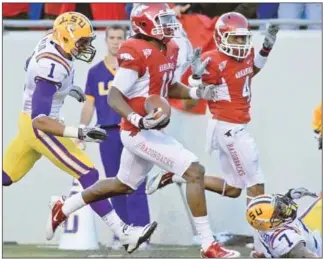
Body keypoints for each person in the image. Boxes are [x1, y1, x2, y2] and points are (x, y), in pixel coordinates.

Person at [45, 3, 241, 258]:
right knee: (194, 170)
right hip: (138, 131)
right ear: (145, 24)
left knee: (122, 184)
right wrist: (136, 119)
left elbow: (166, 87)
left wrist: (196, 92)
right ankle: (208, 245)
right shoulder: (135, 50)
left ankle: (64, 205)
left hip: (148, 128)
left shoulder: (169, 47)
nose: (169, 26)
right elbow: (114, 95)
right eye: (162, 20)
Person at [2, 11, 156, 254]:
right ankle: (122, 233)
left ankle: (115, 229)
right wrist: (79, 132)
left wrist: (62, 88)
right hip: (39, 128)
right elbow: (40, 121)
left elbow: (28, 65)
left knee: (5, 177)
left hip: (27, 121)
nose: (85, 46)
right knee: (90, 173)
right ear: (65, 38)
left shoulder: (49, 42)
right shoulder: (52, 65)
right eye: (81, 42)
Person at [146, 11, 278, 234]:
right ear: (221, 37)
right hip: (229, 128)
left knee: (235, 188)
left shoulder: (245, 55)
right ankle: (262, 241)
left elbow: (252, 69)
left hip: (232, 127)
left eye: (243, 38)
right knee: (256, 185)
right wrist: (196, 75)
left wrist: (266, 47)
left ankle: (177, 175)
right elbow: (192, 86)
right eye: (235, 38)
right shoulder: (213, 59)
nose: (241, 43)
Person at [78, 25, 151, 249]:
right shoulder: (95, 71)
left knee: (136, 184)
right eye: (112, 38)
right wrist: (82, 129)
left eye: (120, 37)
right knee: (114, 184)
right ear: (106, 40)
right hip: (108, 133)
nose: (116, 42)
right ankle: (123, 234)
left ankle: (143, 233)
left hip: (132, 130)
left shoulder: (134, 68)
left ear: (126, 39)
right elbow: (89, 104)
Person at [246, 188, 321, 258]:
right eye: (278, 212)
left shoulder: (260, 226)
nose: (284, 208)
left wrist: (289, 195)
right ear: (268, 223)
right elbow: (303, 254)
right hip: (316, 251)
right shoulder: (283, 239)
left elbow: (258, 252)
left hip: (310, 238)